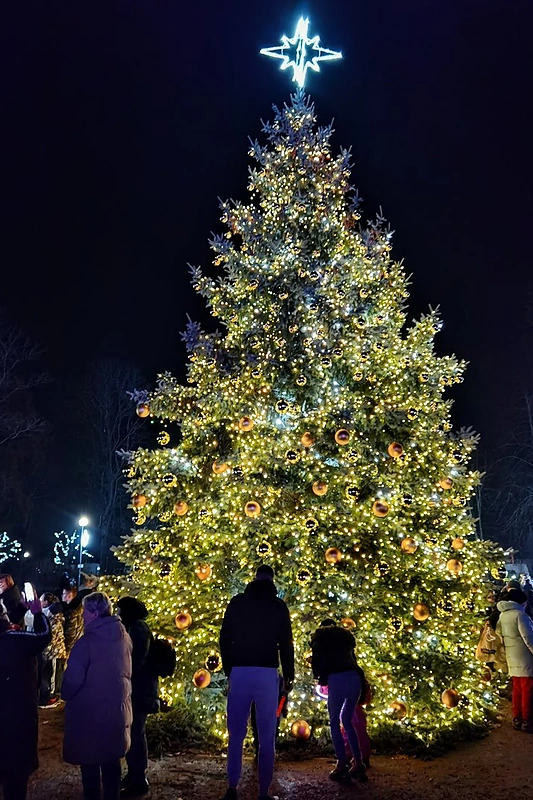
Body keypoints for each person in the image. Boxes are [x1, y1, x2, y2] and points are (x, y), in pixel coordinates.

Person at [219, 565, 294, 800]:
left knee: (236, 734)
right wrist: (289, 675)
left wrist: (230, 669)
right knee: (267, 736)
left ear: (254, 579)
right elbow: (286, 644)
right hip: (267, 673)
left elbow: (225, 637)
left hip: (240, 671)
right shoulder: (278, 606)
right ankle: (263, 792)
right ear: (271, 580)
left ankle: (232, 787)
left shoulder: (237, 603)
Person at [62, 591, 133, 800]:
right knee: (112, 762)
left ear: (93, 613)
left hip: (90, 714)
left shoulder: (86, 643)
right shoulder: (124, 638)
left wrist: (65, 693)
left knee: (90, 763)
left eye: (85, 611)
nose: (82, 615)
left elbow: (72, 681)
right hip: (118, 711)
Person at [0, 596, 51, 800]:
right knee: (15, 778)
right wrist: (37, 613)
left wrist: (20, 608)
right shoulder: (15, 641)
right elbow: (44, 635)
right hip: (16, 717)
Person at [311, 618, 367, 784]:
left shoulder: (320, 638)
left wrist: (319, 676)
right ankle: (358, 763)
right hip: (354, 677)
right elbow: (353, 658)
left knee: (334, 722)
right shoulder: (345, 637)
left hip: (337, 678)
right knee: (347, 720)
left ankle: (341, 764)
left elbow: (317, 662)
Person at [116, 596, 159, 797]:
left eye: (119, 609)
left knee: (136, 733)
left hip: (140, 690)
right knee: (133, 732)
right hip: (139, 689)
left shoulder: (138, 630)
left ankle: (139, 779)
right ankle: (134, 774)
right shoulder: (135, 628)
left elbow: (136, 659)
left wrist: (124, 674)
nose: (117, 613)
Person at [496, 588, 533, 732]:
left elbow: (499, 634)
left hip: (512, 657)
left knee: (517, 688)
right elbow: (528, 638)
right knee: (527, 689)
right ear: (520, 602)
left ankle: (517, 717)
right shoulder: (520, 615)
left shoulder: (503, 615)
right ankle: (527, 719)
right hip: (525, 658)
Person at [39, 593, 66, 707]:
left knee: (53, 677)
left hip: (55, 652)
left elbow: (52, 637)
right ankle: (47, 696)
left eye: (41, 600)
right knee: (48, 675)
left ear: (46, 602)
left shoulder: (54, 617)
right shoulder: (50, 615)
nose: (40, 602)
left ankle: (52, 697)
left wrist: (44, 651)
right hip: (50, 652)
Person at [62, 585, 84, 657]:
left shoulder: (72, 613)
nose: (62, 595)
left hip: (71, 647)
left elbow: (71, 632)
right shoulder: (79, 608)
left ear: (69, 595)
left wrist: (67, 649)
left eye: (64, 593)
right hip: (78, 644)